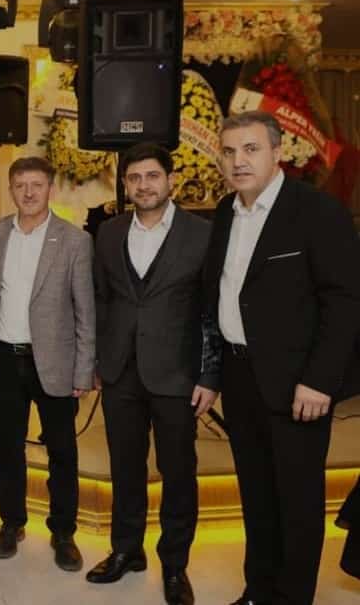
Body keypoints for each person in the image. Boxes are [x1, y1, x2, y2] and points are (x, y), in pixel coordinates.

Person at [204, 111, 360, 605]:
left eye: (251, 149)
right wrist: (211, 371)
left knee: (297, 501)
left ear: (277, 153)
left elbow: (345, 301)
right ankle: (258, 590)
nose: (239, 161)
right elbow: (221, 295)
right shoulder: (225, 211)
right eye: (230, 151)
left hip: (299, 384)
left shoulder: (317, 211)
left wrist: (321, 380)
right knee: (256, 494)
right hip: (239, 376)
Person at [88, 143, 219, 605]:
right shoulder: (108, 232)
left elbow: (212, 309)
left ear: (170, 180)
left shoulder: (202, 234)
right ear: (125, 184)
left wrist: (209, 375)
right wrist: (99, 359)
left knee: (177, 472)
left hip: (177, 373)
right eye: (135, 178)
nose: (143, 185)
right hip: (120, 370)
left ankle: (175, 564)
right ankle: (127, 550)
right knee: (125, 466)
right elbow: (102, 299)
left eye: (152, 176)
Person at [0, 156, 93, 572]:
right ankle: (11, 523)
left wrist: (83, 369)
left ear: (50, 189)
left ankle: (63, 532)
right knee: (7, 445)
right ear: (11, 190)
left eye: (36, 185)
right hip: (3, 357)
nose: (28, 193)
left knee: (62, 450)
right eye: (20, 185)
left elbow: (85, 312)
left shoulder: (75, 241)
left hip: (55, 362)